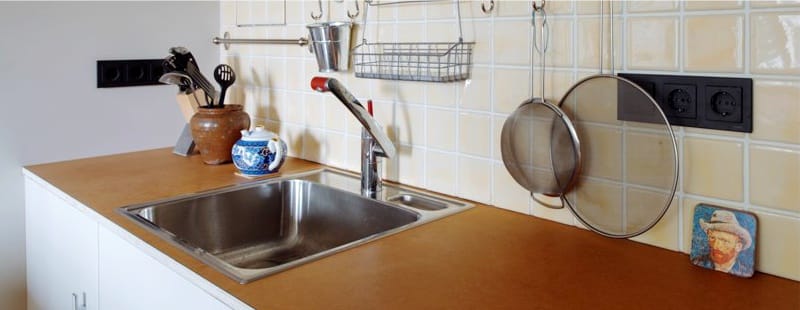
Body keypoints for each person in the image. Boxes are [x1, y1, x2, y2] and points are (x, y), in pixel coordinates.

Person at [692, 209, 753, 276]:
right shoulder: (697, 263)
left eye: (724, 241)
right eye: (712, 238)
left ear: (738, 246)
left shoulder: (745, 272)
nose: (715, 246)